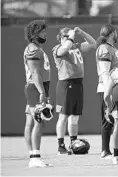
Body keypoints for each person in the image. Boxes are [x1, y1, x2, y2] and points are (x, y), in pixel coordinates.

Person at [52, 27, 96, 155]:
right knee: (63, 116)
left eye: (69, 35)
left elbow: (93, 44)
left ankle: (74, 144)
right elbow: (63, 50)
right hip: (66, 84)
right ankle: (61, 146)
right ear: (60, 38)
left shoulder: (75, 46)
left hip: (77, 84)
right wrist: (70, 37)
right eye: (65, 36)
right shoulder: (57, 48)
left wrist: (82, 33)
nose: (69, 37)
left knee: (75, 117)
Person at [96, 24, 118, 159]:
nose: (117, 34)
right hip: (107, 88)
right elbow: (105, 72)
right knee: (108, 119)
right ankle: (105, 150)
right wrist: (107, 91)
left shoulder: (111, 48)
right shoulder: (104, 48)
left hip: (115, 87)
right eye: (115, 32)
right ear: (111, 34)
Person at [23, 19, 52, 167]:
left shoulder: (35, 48)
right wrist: (42, 92)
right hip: (36, 88)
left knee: (30, 122)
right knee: (38, 122)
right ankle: (35, 157)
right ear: (34, 34)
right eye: (42, 31)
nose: (45, 33)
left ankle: (32, 156)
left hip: (36, 87)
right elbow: (34, 73)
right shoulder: (33, 49)